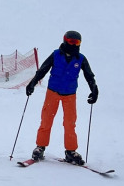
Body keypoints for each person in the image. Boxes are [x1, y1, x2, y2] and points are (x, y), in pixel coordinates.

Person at [25, 30, 98, 164]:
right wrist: (33, 82)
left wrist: (94, 89)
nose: (74, 44)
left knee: (70, 123)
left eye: (77, 42)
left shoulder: (80, 58)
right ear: (65, 40)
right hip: (53, 92)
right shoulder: (56, 55)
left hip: (70, 94)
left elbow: (89, 75)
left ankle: (70, 151)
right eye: (71, 41)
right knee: (46, 120)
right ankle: (40, 147)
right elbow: (43, 70)